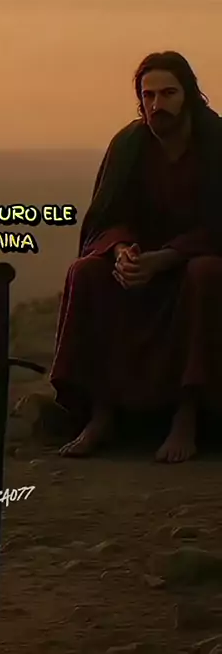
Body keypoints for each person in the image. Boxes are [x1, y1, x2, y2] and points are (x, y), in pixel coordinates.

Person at [50, 51, 222, 464]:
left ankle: (187, 414)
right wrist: (122, 251)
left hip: (198, 258)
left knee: (206, 274)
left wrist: (170, 256)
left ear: (189, 94)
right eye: (149, 95)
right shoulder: (128, 145)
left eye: (168, 93)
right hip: (139, 263)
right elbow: (105, 217)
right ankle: (101, 412)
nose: (157, 104)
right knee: (87, 272)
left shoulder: (216, 143)